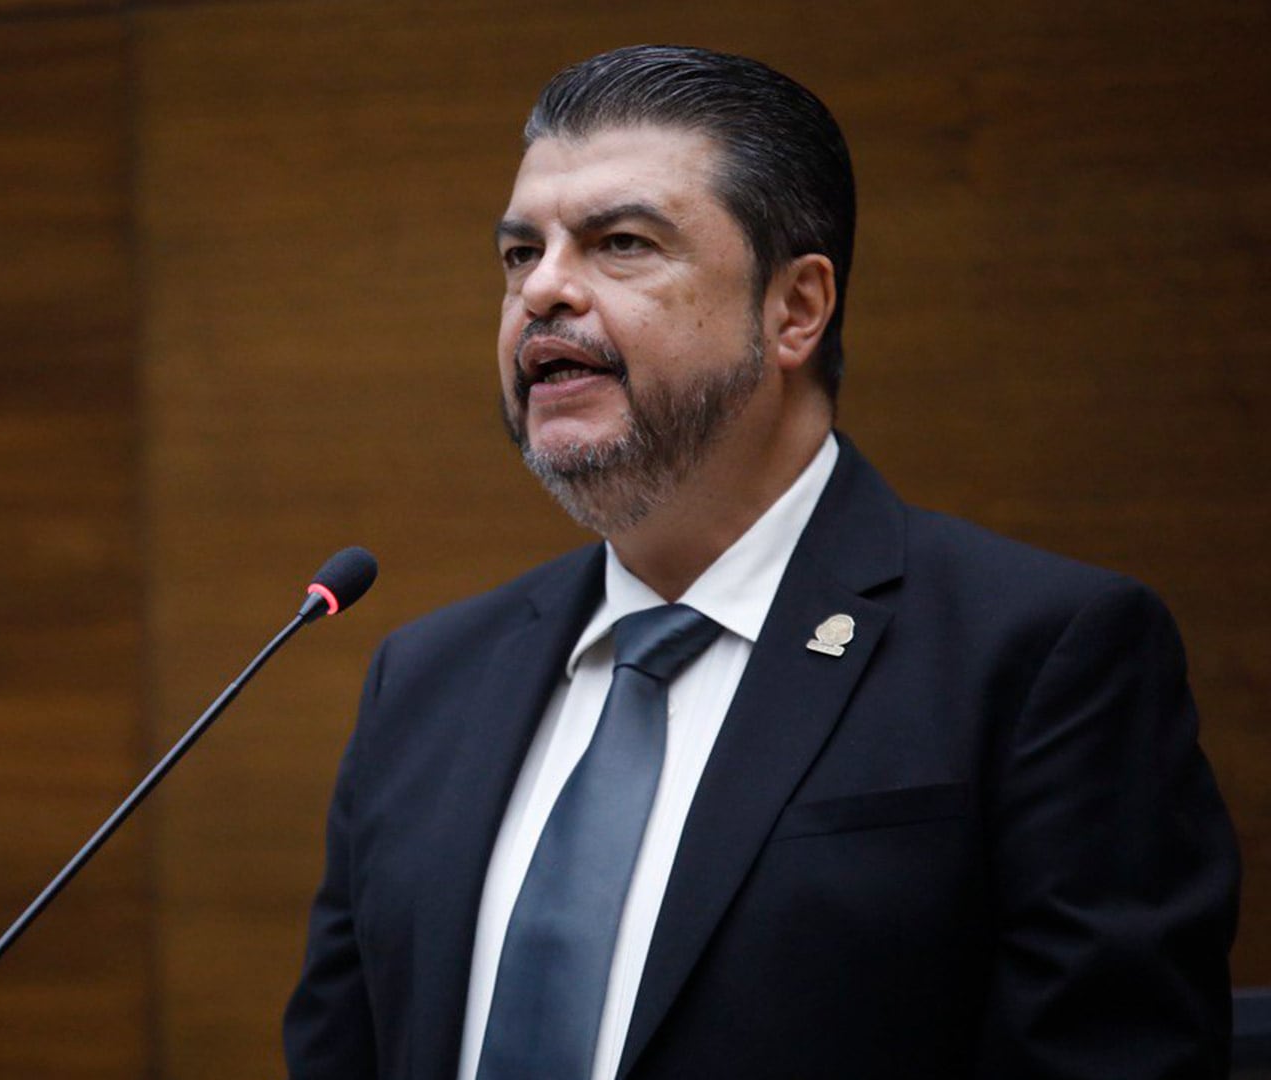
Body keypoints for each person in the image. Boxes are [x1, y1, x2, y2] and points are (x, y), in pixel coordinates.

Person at [282, 45, 1239, 1080]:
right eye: (521, 254)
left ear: (796, 309)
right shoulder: (425, 681)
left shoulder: (1041, 658)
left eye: (621, 243)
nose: (544, 292)